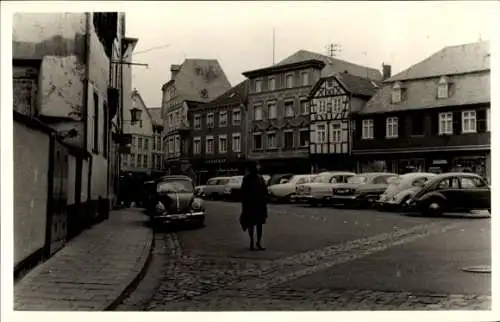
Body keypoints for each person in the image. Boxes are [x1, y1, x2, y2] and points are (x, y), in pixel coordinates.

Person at [240, 160, 268, 251]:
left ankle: (255, 242)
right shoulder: (252, 178)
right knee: (255, 224)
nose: (258, 167)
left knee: (255, 224)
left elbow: (264, 190)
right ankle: (255, 242)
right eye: (257, 166)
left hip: (255, 204)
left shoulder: (255, 178)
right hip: (254, 204)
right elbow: (244, 193)